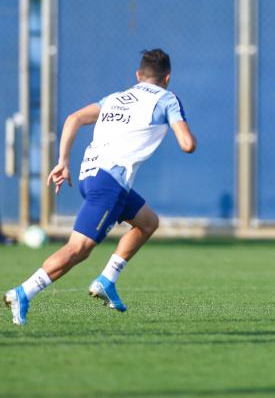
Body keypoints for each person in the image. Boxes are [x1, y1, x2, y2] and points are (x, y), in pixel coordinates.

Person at [3, 49, 196, 326]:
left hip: (91, 174)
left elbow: (73, 118)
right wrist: (189, 138)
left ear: (138, 76)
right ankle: (23, 292)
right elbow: (187, 144)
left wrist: (63, 162)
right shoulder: (167, 99)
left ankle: (107, 279)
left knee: (148, 222)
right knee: (78, 248)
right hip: (110, 184)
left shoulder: (116, 98)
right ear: (167, 78)